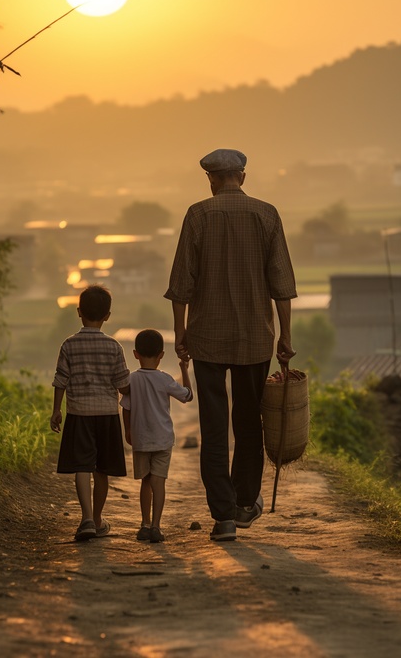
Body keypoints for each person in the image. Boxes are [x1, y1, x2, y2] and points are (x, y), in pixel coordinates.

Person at [164, 148, 297, 541]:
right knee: (249, 423)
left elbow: (180, 286)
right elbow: (282, 286)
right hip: (255, 339)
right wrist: (285, 337)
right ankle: (243, 504)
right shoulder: (267, 214)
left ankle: (222, 516)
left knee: (214, 426)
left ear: (211, 179)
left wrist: (180, 334)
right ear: (243, 176)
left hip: (207, 338)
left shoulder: (198, 214)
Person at [50, 284, 130, 541]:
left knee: (82, 466)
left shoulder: (69, 344)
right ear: (108, 315)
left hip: (78, 414)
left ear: (79, 312)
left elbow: (61, 380)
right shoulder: (114, 347)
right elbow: (122, 383)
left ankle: (85, 518)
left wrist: (56, 411)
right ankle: (97, 519)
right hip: (106, 414)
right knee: (102, 469)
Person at [120, 329, 193, 543]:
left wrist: (128, 430)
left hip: (141, 439)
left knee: (145, 481)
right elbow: (188, 395)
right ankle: (156, 526)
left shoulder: (132, 380)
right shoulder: (165, 379)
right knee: (158, 482)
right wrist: (184, 369)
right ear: (161, 355)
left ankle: (144, 523)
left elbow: (126, 408)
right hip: (162, 440)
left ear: (135, 354)